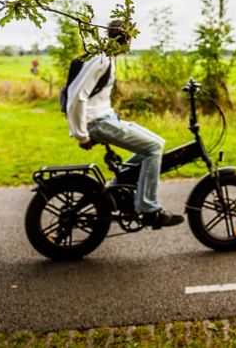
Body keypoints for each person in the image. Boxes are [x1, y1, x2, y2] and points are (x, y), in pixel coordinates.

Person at [65, 19, 184, 228]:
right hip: (98, 122)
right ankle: (148, 208)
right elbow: (77, 95)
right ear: (126, 40)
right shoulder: (101, 59)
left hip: (106, 118)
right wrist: (80, 134)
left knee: (158, 142)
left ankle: (119, 185)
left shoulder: (106, 57)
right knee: (153, 147)